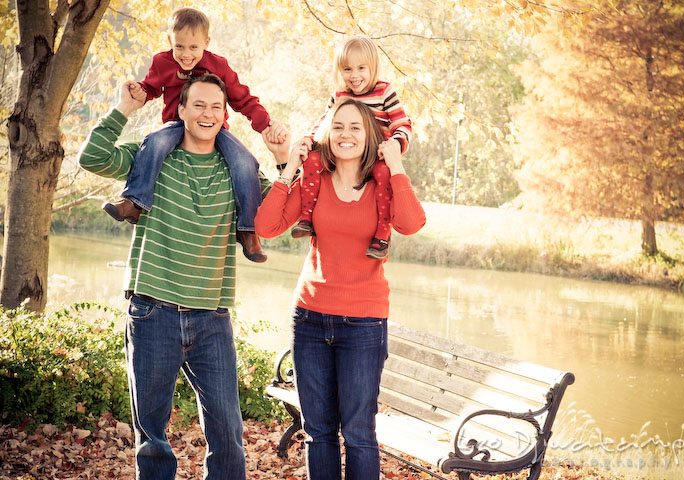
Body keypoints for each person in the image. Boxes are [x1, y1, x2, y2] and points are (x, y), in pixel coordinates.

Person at [78, 74, 280, 480]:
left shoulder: (240, 174)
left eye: (216, 107)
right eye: (199, 105)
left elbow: (279, 216)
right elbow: (93, 158)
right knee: (152, 436)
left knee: (228, 430)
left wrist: (282, 158)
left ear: (225, 115)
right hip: (153, 311)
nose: (208, 114)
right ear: (181, 110)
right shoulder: (151, 160)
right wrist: (125, 109)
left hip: (212, 317)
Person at [255, 97, 426, 479]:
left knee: (359, 433)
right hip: (310, 319)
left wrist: (395, 163)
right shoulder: (313, 183)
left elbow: (412, 223)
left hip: (363, 325)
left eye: (355, 128)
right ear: (326, 135)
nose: (345, 135)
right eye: (337, 127)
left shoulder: (382, 186)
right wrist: (290, 168)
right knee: (318, 433)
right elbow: (266, 227)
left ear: (370, 137)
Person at [102, 7, 287, 263]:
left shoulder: (218, 65)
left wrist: (265, 124)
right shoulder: (162, 62)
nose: (186, 54)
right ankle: (135, 202)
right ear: (170, 42)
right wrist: (140, 91)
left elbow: (242, 99)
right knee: (152, 144)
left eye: (193, 47)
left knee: (245, 162)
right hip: (175, 125)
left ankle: (247, 229)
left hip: (215, 130)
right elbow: (151, 87)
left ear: (206, 43)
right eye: (179, 46)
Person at [292, 34, 413, 261]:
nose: (354, 76)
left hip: (375, 155)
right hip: (344, 154)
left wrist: (394, 145)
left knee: (384, 174)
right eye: (347, 69)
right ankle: (307, 217)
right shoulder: (339, 95)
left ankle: (382, 237)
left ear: (373, 67)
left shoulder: (384, 92)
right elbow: (324, 123)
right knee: (313, 160)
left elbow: (402, 124)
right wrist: (310, 139)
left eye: (361, 68)